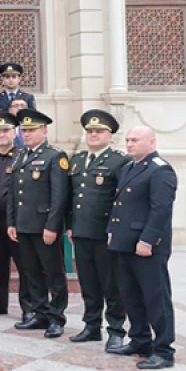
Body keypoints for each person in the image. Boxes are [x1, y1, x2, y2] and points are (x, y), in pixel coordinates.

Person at [108, 126, 179, 369]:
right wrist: (112, 233)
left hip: (147, 246)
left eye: (135, 140)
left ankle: (163, 350)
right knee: (131, 295)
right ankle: (139, 340)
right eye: (127, 140)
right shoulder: (129, 167)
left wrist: (148, 240)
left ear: (151, 142)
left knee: (155, 297)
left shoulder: (160, 170)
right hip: (125, 244)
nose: (129, 144)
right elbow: (119, 204)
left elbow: (161, 210)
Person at [67, 109, 130, 351]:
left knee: (111, 285)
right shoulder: (78, 160)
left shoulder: (119, 162)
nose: (93, 135)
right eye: (90, 131)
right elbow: (72, 198)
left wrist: (117, 230)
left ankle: (115, 329)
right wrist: (70, 226)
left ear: (110, 135)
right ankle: (92, 326)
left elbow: (122, 201)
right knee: (89, 283)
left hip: (105, 234)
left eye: (98, 131)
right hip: (81, 232)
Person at [7, 109, 71, 338]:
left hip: (44, 227)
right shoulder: (19, 155)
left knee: (53, 273)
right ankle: (40, 313)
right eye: (24, 130)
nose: (27, 134)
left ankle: (57, 318)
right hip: (23, 225)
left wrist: (53, 226)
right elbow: (14, 193)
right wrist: (11, 222)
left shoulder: (55, 156)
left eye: (32, 130)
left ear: (44, 131)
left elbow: (59, 196)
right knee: (32, 273)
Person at [0, 111, 31, 319]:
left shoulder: (23, 157)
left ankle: (28, 307)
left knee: (24, 266)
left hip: (17, 221)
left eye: (5, 130)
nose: (1, 134)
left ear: (14, 133)